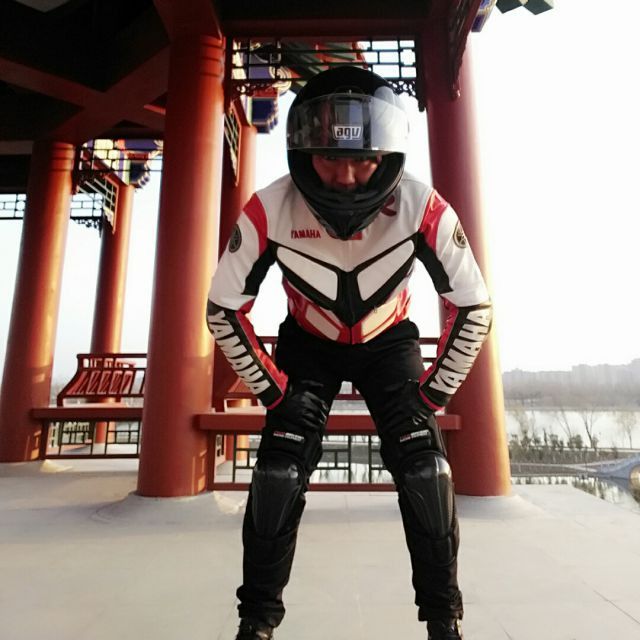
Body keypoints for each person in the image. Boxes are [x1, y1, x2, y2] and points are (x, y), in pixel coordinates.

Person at [207, 66, 492, 640]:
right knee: (278, 474)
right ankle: (256, 622)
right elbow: (222, 307)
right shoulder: (270, 207)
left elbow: (474, 305)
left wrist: (433, 394)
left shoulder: (421, 206)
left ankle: (444, 620)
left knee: (427, 472)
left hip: (389, 342)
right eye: (329, 158)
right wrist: (273, 391)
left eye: (362, 160)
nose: (344, 175)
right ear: (302, 152)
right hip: (306, 346)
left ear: (386, 154)